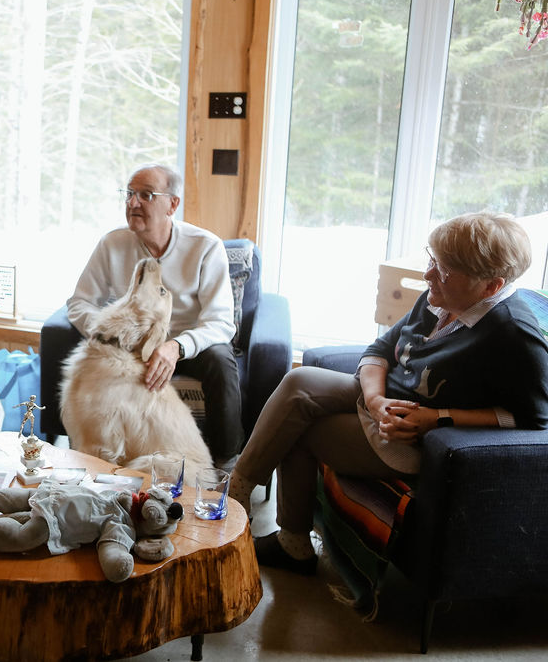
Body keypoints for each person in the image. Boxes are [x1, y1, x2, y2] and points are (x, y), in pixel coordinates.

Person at [227, 212, 548, 574]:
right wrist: (376, 398)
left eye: (443, 271)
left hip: (407, 436)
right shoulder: (438, 298)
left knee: (302, 431)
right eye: (432, 262)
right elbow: (378, 350)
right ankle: (238, 489)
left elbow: (533, 420)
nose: (429, 276)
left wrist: (437, 419)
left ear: (491, 286)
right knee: (298, 383)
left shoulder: (514, 336)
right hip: (381, 401)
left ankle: (293, 545)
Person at [67, 163, 244, 465]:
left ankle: (228, 466)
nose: (133, 203)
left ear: (172, 204)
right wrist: (111, 336)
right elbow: (79, 303)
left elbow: (221, 322)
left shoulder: (206, 247)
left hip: (188, 345)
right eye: (130, 194)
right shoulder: (112, 244)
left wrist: (176, 347)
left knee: (221, 361)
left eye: (146, 195)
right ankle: (87, 454)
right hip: (129, 348)